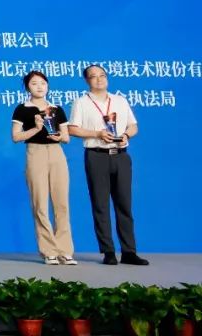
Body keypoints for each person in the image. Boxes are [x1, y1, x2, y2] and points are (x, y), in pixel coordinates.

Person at [68, 64, 149, 266]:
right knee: (100, 205)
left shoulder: (120, 100)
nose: (99, 79)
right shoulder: (81, 102)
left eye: (102, 75)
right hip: (97, 156)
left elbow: (133, 125)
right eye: (94, 76)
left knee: (124, 204)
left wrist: (126, 135)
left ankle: (129, 252)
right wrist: (97, 133)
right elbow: (72, 129)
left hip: (121, 156)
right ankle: (108, 251)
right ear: (87, 80)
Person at [11, 70, 76, 265]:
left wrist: (59, 137)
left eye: (43, 83)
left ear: (47, 86)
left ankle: (65, 250)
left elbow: (66, 137)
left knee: (62, 203)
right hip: (35, 153)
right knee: (40, 203)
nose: (39, 87)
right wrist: (36, 128)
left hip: (57, 153)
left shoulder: (56, 109)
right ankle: (49, 251)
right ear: (27, 87)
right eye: (34, 83)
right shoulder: (22, 109)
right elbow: (16, 137)